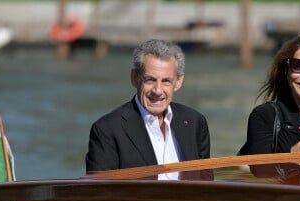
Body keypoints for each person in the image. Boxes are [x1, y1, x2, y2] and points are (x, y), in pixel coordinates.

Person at [85, 39, 210, 173]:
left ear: (178, 82)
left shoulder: (195, 122)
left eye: (166, 81)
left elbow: (205, 183)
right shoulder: (107, 130)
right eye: (150, 80)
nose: (157, 90)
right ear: (135, 78)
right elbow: (100, 191)